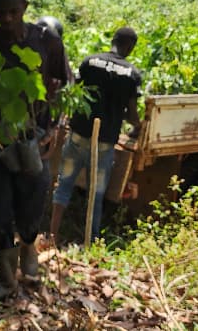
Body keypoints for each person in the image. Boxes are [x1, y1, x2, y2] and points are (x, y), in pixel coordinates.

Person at [0, 0, 69, 301]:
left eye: (13, 11)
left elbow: (65, 88)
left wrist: (54, 129)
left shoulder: (47, 42)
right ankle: (6, 279)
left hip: (34, 139)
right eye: (1, 13)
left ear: (25, 7)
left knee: (32, 205)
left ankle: (28, 249)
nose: (7, 19)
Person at [49, 27, 142, 245]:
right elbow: (131, 113)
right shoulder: (131, 74)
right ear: (130, 46)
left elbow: (74, 93)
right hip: (104, 142)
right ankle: (90, 242)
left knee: (63, 186)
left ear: (113, 40)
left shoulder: (90, 62)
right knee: (96, 194)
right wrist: (137, 125)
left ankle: (52, 234)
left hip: (79, 134)